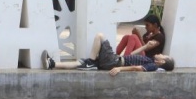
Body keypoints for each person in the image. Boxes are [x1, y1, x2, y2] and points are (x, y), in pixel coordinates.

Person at [42, 32, 175, 74]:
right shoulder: (151, 60)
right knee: (81, 63)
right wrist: (145, 46)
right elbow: (132, 55)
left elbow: (137, 68)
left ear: (162, 61)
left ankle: (92, 62)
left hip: (115, 62)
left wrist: (119, 68)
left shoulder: (153, 66)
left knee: (100, 36)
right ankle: (52, 64)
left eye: (164, 56)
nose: (162, 54)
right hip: (116, 60)